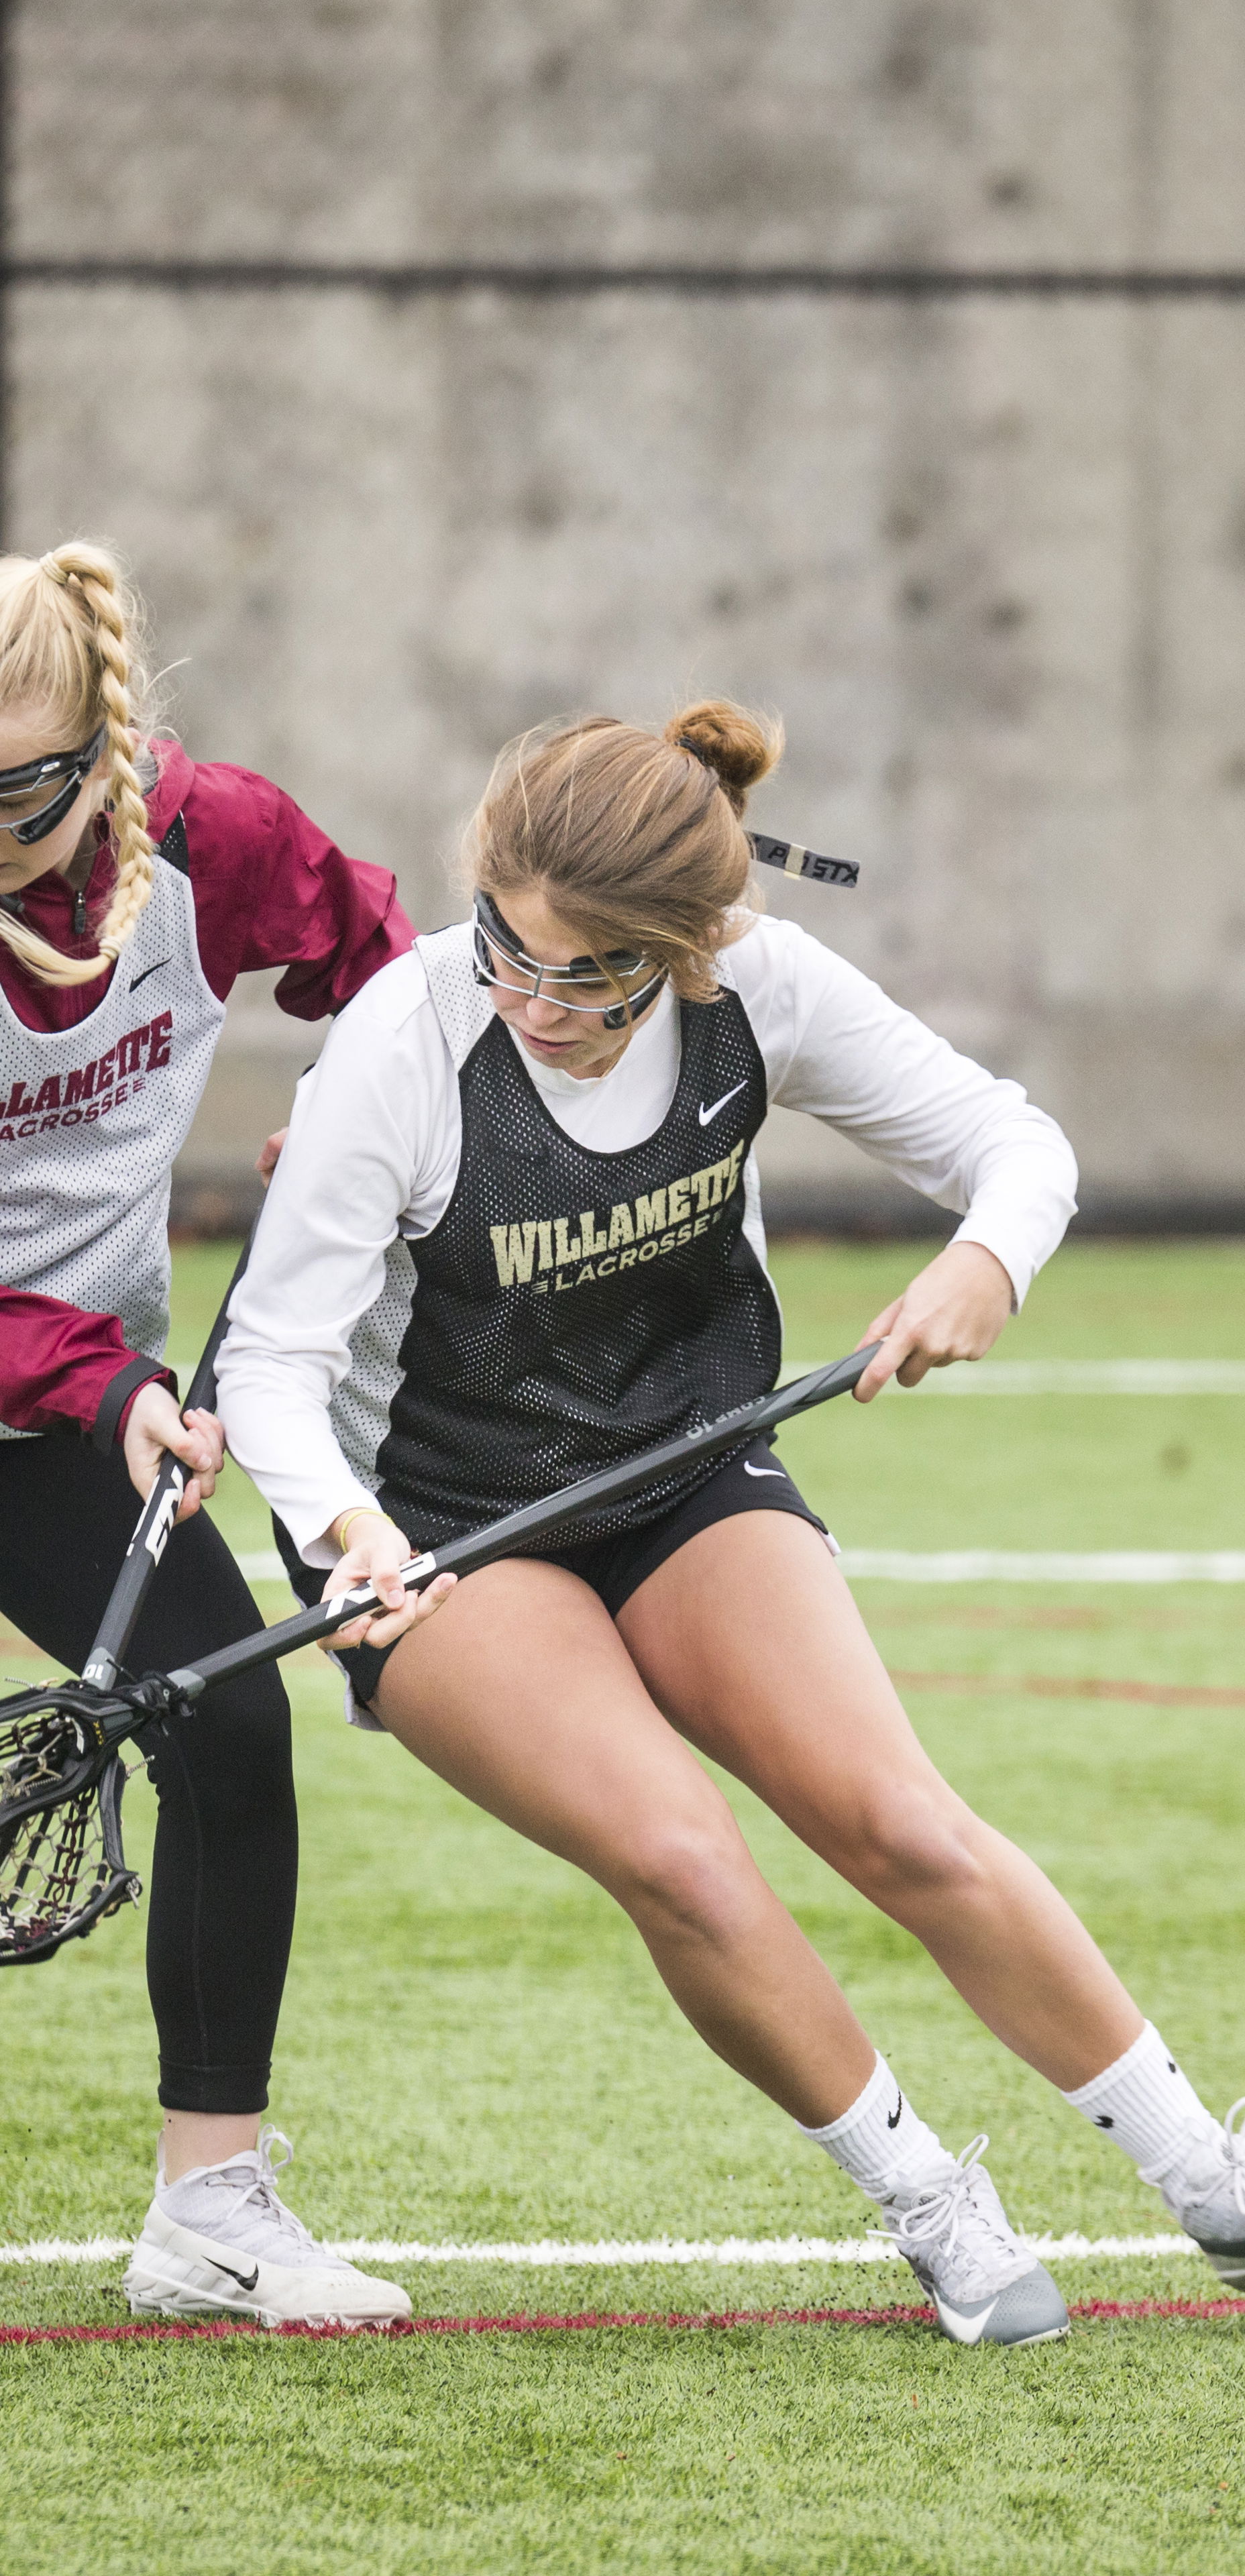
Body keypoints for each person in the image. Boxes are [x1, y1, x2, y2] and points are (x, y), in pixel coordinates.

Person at [217, 700, 1245, 2348]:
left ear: (687, 951)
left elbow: (1013, 1143)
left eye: (590, 977)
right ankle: (932, 2203)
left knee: (898, 1819)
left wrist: (981, 1263)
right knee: (682, 1855)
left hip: (686, 1458)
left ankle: (1208, 2177)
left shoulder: (757, 988)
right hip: (431, 1522)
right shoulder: (400, 1043)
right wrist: (345, 1529)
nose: (533, 1000)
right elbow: (272, 1367)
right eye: (507, 948)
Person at [0, 538, 418, 2325]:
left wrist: (352, 1127)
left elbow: (395, 976)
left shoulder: (214, 839)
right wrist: (109, 1390)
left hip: (74, 1412)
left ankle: (209, 2210)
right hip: (82, 1391)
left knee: (230, 1718)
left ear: (100, 750)